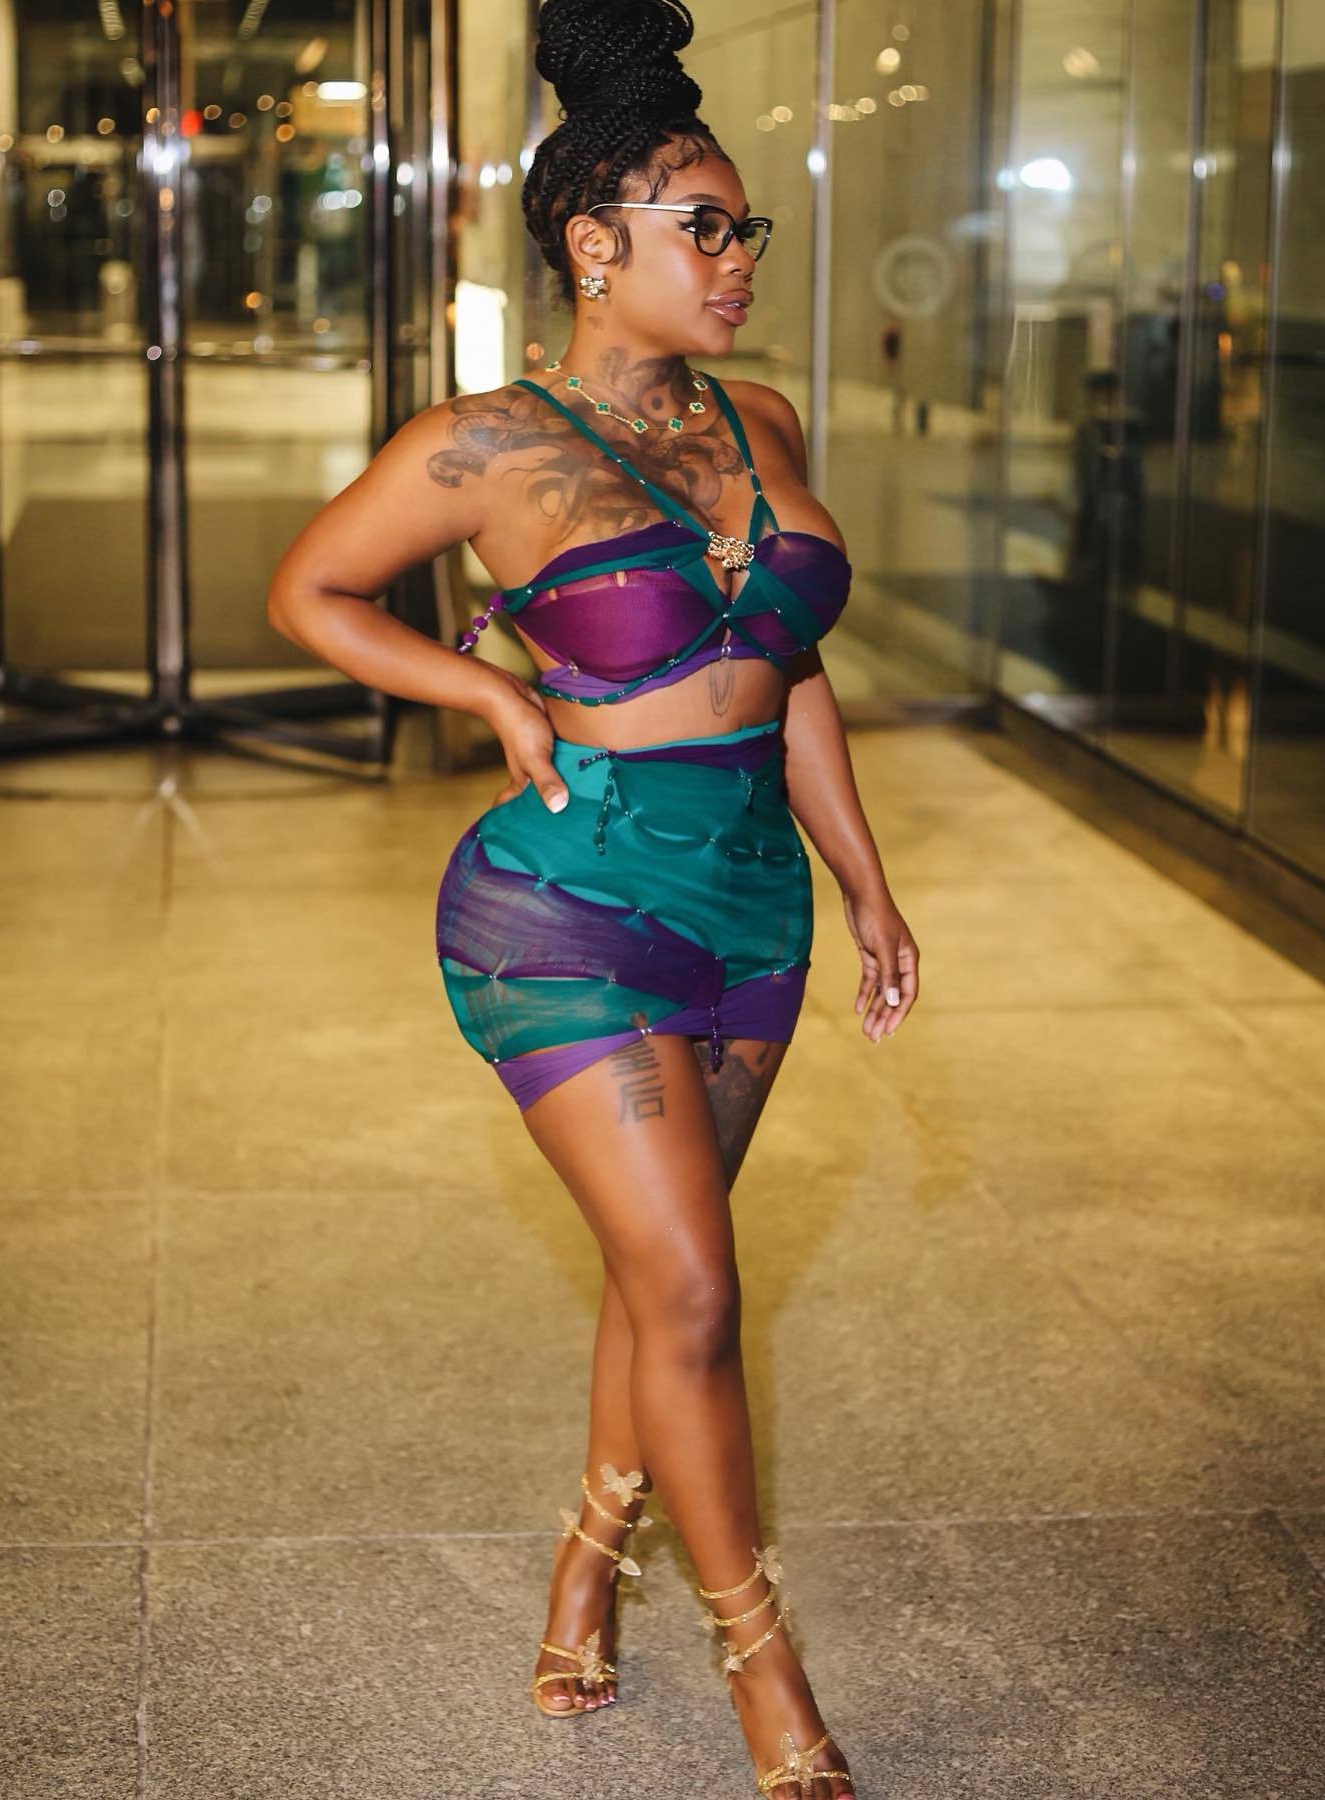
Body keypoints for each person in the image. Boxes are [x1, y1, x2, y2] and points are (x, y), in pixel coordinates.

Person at [266, 0, 919, 1790]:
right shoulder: (486, 444)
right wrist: (489, 694)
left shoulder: (762, 417)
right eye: (705, 226)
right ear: (594, 245)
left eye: (744, 226)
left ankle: (588, 1554)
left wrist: (865, 882)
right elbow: (313, 591)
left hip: (752, 910)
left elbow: (789, 670)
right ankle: (765, 1670)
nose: (739, 256)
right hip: (566, 909)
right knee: (696, 1289)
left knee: (660, 1272)